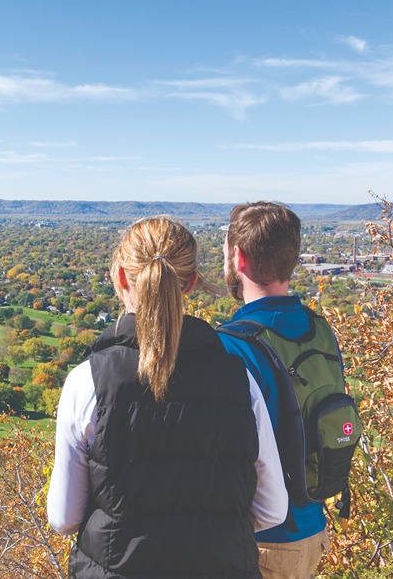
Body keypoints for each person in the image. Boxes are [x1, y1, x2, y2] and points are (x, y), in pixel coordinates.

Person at [48, 216, 287, 578]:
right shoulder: (239, 379)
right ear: (191, 282)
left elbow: (64, 518)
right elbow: (272, 509)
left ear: (122, 277)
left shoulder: (88, 382)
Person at [218, 201, 332, 578]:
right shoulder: (319, 330)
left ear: (238, 257)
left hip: (262, 539)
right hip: (313, 527)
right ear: (292, 258)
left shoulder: (233, 345)